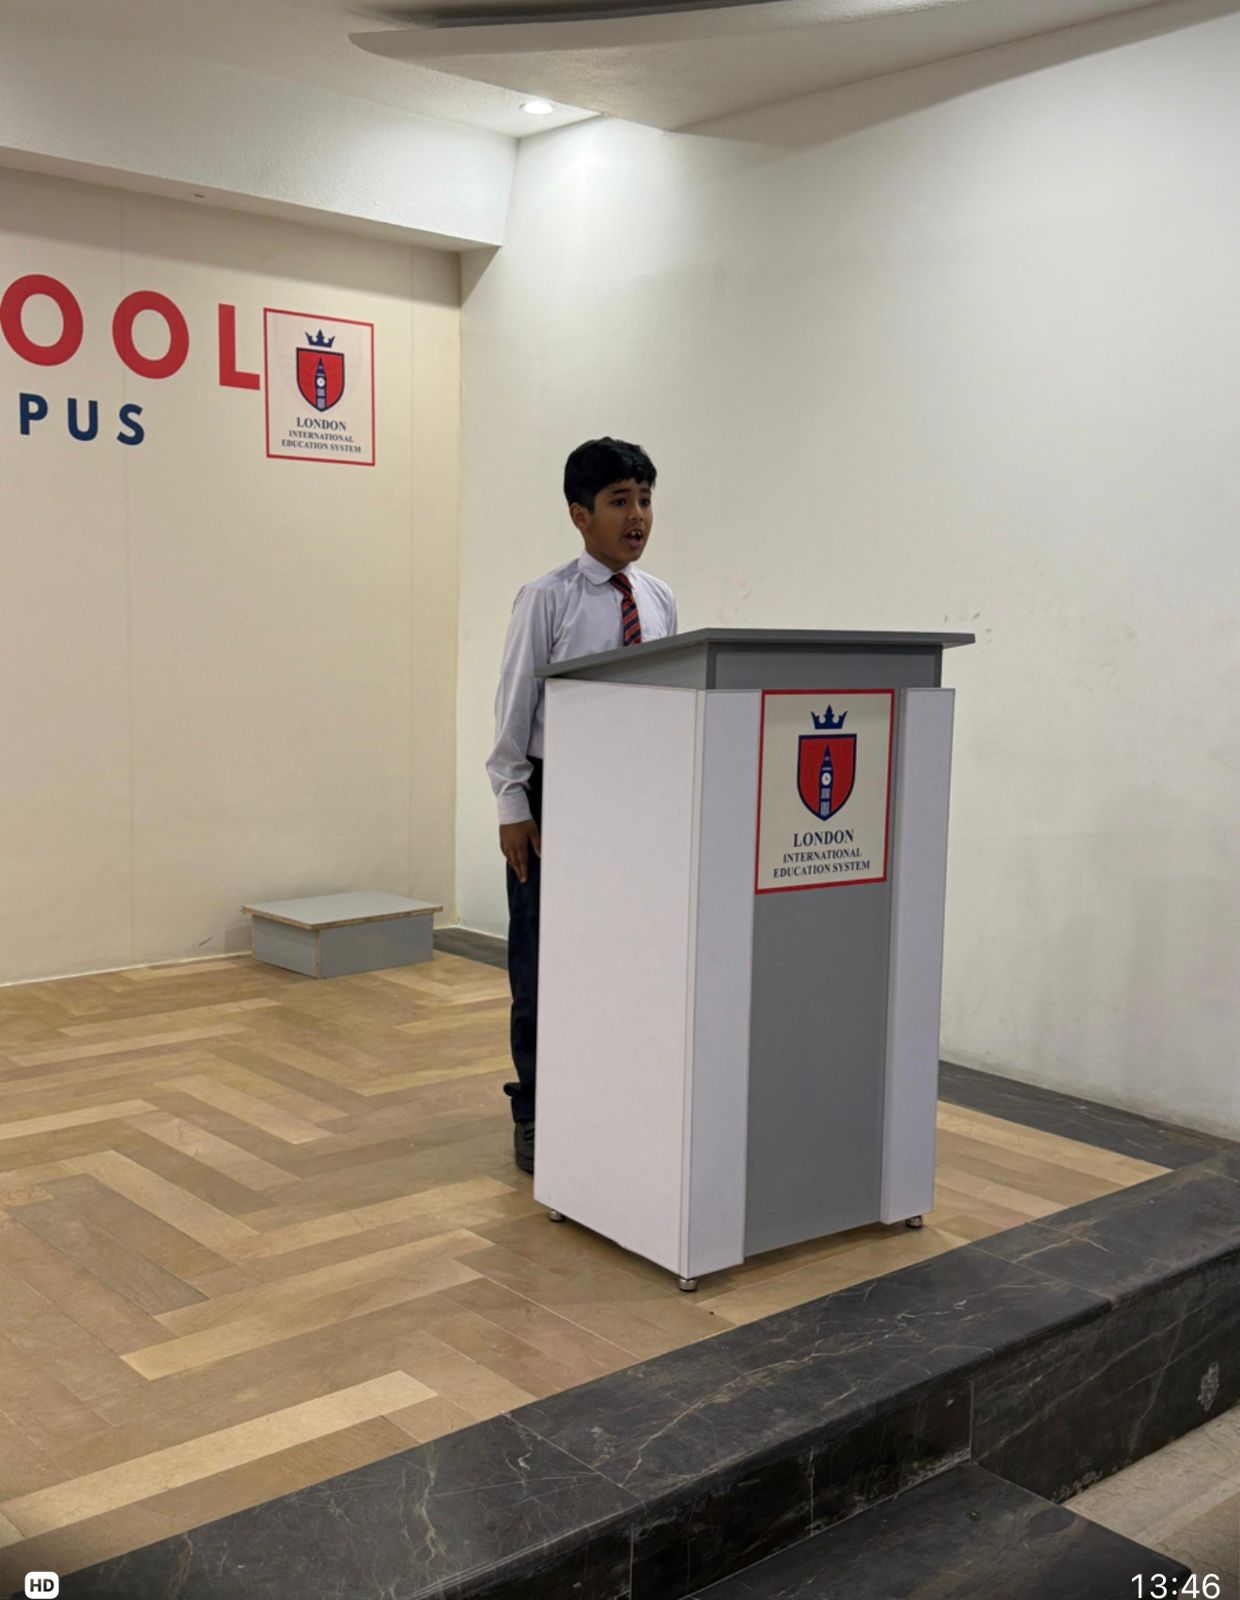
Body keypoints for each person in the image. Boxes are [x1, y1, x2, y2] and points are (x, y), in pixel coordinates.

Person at [487, 438, 678, 1172]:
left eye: (645, 500)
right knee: (540, 960)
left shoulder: (658, 598)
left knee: (623, 952)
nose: (637, 517)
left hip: (635, 797)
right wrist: (512, 802)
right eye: (619, 502)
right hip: (555, 792)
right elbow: (515, 703)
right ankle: (535, 1108)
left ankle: (613, 1090)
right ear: (579, 514)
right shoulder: (548, 597)